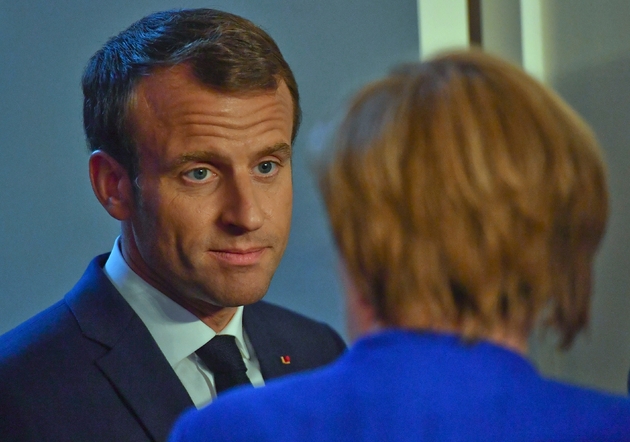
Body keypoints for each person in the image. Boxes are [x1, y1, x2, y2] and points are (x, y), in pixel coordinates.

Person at [168, 50, 630, 441]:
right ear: (567, 236)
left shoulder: (232, 430)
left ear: (357, 232)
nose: (247, 215)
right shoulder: (609, 427)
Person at [0, 8, 346, 442]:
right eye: (200, 172)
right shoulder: (17, 393)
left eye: (266, 165)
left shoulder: (321, 354)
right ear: (114, 186)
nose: (249, 215)